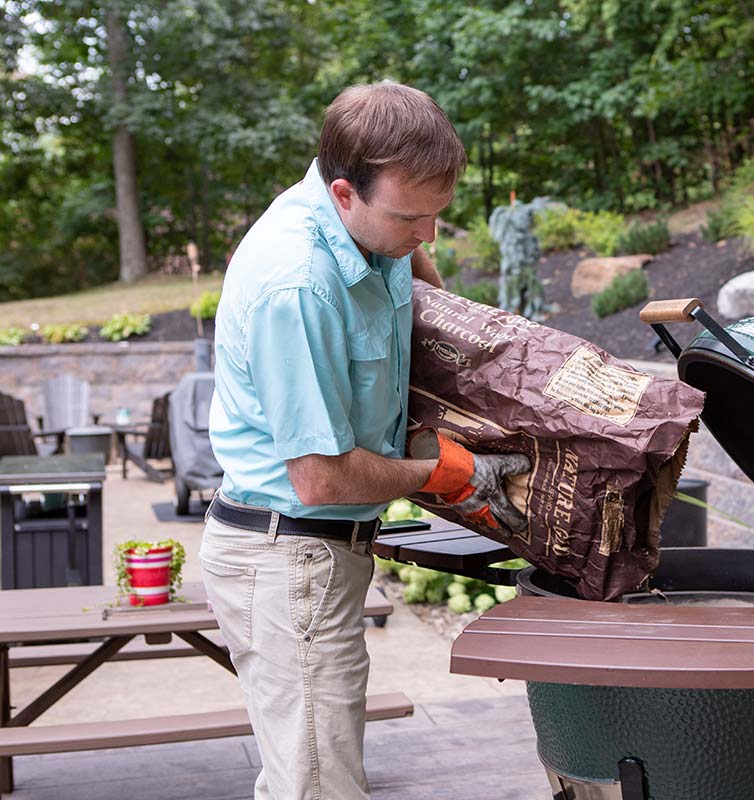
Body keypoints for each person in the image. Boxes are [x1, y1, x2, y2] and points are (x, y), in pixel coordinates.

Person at [200, 82, 531, 800]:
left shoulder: (368, 227)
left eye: (439, 215)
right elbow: (321, 478)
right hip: (288, 555)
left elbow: (420, 285)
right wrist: (445, 474)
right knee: (319, 789)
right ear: (345, 192)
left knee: (305, 777)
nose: (429, 237)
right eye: (414, 218)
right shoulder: (299, 287)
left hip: (315, 553)